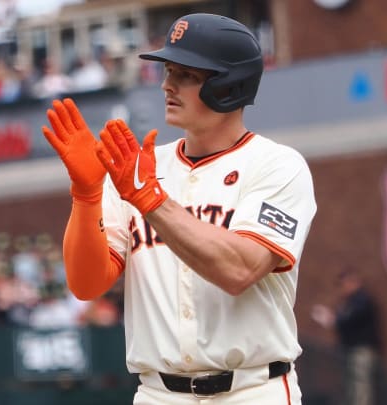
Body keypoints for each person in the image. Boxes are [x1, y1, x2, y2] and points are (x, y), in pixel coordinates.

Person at [42, 13, 317, 404]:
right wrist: (87, 195)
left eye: (186, 74)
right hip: (158, 393)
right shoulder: (136, 172)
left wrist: (152, 201)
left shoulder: (276, 166)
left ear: (229, 85)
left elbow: (240, 270)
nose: (167, 85)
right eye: (168, 71)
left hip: (252, 390)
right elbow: (86, 284)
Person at [311, 268, 383, 405]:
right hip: (352, 349)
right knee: (354, 386)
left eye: (344, 284)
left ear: (353, 282)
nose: (343, 288)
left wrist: (333, 319)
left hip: (361, 349)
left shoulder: (362, 299)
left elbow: (351, 318)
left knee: (360, 385)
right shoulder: (350, 301)